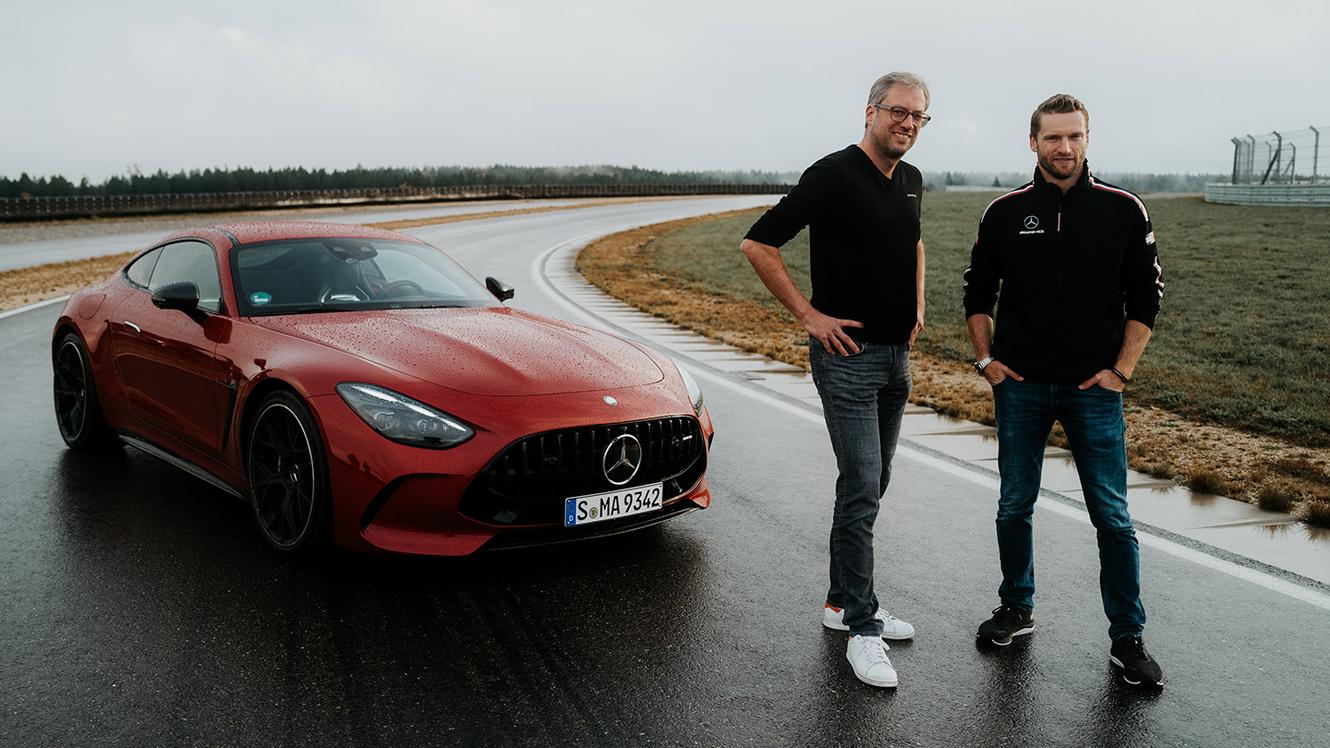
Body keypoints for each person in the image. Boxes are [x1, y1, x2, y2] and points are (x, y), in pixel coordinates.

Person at [962, 94, 1166, 687]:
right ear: (1033, 142)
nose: (1064, 147)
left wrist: (1121, 372)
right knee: (1013, 504)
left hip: (1093, 389)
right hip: (1021, 386)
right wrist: (986, 359)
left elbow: (1147, 299)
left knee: (1113, 516)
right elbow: (978, 293)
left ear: (1087, 139)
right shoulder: (1003, 212)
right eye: (1053, 137)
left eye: (1074, 136)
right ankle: (1016, 609)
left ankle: (1127, 639)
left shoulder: (1123, 210)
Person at [739, 72, 929, 688]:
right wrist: (809, 315)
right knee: (862, 486)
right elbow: (759, 243)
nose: (907, 123)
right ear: (871, 111)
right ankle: (862, 628)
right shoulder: (833, 174)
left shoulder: (910, 180)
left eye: (919, 116)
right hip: (847, 358)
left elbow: (916, 244)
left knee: (874, 485)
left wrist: (918, 303)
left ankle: (841, 602)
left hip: (896, 356)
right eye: (898, 112)